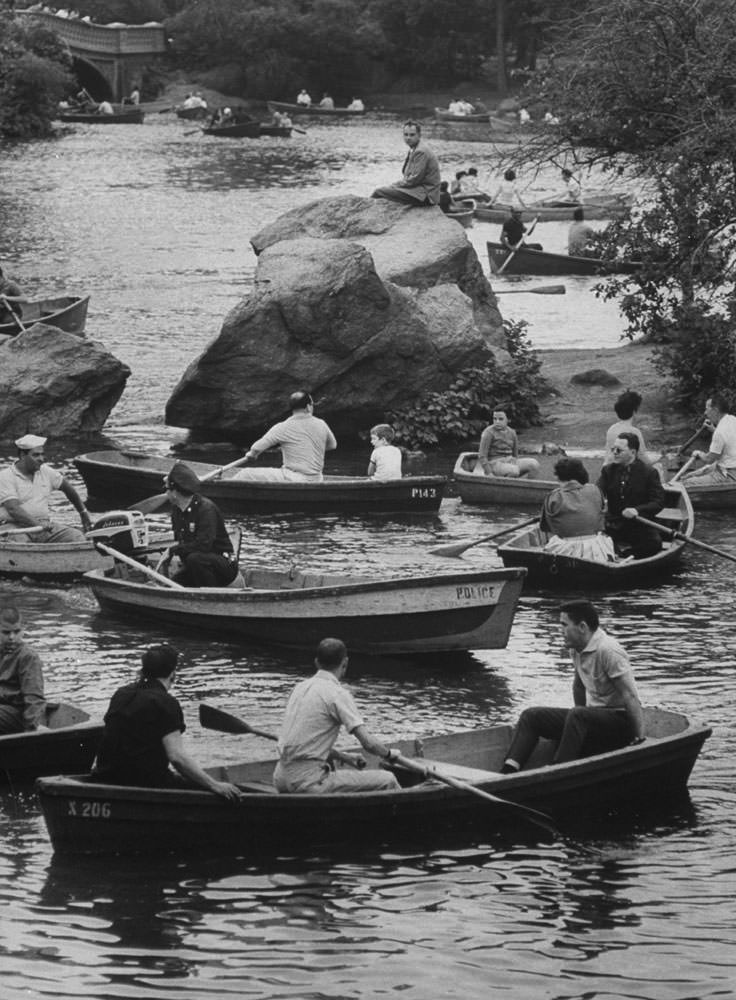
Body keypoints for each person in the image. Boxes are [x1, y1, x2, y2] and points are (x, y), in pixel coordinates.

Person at [500, 600, 645, 774]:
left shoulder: (609, 651)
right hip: (593, 719)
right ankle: (508, 771)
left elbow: (630, 696)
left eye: (564, 625)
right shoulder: (576, 648)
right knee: (531, 716)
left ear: (582, 627)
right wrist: (577, 728)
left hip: (620, 723)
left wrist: (640, 739)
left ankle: (558, 769)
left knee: (578, 714)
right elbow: (578, 686)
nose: (560, 631)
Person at [93, 643, 241, 799]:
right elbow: (177, 758)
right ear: (173, 674)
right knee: (204, 786)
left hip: (104, 776)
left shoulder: (121, 694)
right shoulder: (166, 703)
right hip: (143, 783)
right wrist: (215, 785)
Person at [273, 637, 402, 794]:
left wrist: (344, 757)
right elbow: (369, 744)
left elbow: (305, 746)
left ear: (316, 662)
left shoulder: (298, 689)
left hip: (280, 778)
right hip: (307, 782)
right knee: (388, 779)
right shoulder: (337, 693)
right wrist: (389, 754)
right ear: (345, 663)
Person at [158, 462, 238, 588]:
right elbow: (182, 541)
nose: (165, 493)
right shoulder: (176, 510)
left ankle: (210, 595)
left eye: (166, 489)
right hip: (195, 565)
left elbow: (203, 545)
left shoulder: (206, 509)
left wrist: (173, 550)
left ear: (175, 492)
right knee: (172, 584)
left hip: (223, 566)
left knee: (195, 559)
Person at [0, 434, 91, 542]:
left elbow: (68, 488)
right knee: (23, 544)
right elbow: (13, 509)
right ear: (22, 455)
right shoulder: (5, 476)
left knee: (77, 537)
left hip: (43, 524)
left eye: (42, 454)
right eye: (36, 455)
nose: (42, 459)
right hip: (14, 526)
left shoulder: (45, 471)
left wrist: (83, 513)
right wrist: (37, 525)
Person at [234, 391, 337, 482]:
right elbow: (332, 445)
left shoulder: (282, 427)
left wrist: (252, 454)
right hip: (317, 479)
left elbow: (256, 448)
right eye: (312, 404)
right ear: (308, 407)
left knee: (245, 473)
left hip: (294, 479)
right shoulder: (321, 424)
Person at [597, 431, 665, 558]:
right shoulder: (608, 471)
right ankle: (615, 554)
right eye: (613, 449)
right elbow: (597, 493)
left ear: (633, 452)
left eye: (619, 450)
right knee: (597, 538)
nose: (614, 453)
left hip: (639, 525)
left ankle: (625, 555)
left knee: (654, 544)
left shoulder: (649, 473)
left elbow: (658, 502)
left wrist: (637, 510)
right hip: (613, 523)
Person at [540, 457, 614, 561]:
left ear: (558, 476)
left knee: (551, 542)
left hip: (566, 549)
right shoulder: (595, 490)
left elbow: (546, 528)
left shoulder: (554, 496)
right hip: (596, 548)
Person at [0, 605, 47, 734]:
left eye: (16, 631)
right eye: (6, 632)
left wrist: (30, 732)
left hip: (17, 712)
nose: (12, 637)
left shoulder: (27, 656)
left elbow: (34, 698)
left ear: (23, 630)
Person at [371, 121, 441, 207]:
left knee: (379, 192)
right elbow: (409, 177)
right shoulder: (415, 148)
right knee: (385, 192)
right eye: (406, 134)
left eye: (412, 135)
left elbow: (414, 179)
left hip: (425, 195)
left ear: (419, 135)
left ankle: (365, 213)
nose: (408, 138)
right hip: (420, 190)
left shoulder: (420, 151)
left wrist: (394, 186)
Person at [680, 393, 736, 485]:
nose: (705, 413)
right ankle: (690, 476)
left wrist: (698, 453)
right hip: (729, 467)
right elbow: (727, 437)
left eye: (707, 409)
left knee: (686, 482)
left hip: (728, 475)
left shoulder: (719, 432)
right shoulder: (733, 419)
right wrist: (714, 429)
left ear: (715, 410)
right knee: (692, 474)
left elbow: (709, 459)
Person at [477, 410, 540, 479]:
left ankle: (525, 487)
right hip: (495, 463)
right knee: (514, 470)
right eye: (494, 419)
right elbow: (482, 455)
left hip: (510, 462)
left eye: (501, 419)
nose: (497, 422)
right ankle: (503, 487)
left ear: (508, 420)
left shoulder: (512, 432)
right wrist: (489, 473)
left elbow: (515, 454)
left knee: (534, 464)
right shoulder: (488, 432)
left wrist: (514, 461)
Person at [604, 389, 647, 463]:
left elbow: (608, 455)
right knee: (657, 467)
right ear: (634, 412)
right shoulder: (635, 432)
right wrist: (660, 457)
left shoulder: (611, 429)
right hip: (625, 470)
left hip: (610, 468)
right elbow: (643, 458)